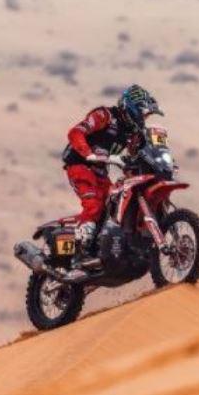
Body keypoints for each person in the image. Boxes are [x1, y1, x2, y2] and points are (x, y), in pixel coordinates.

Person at [62, 84, 163, 268]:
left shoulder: (133, 132)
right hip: (80, 165)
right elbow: (75, 132)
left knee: (114, 205)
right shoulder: (105, 115)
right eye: (144, 114)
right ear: (132, 108)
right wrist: (88, 153)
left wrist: (158, 164)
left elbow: (138, 154)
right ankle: (79, 255)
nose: (145, 119)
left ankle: (104, 248)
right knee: (94, 205)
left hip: (100, 172)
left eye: (147, 116)